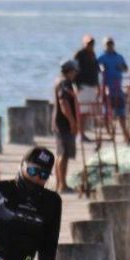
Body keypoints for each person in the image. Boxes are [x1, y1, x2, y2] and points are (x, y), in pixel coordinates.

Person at [97, 37, 130, 145]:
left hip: (117, 88)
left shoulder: (119, 57)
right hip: (105, 88)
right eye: (107, 44)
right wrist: (101, 69)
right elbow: (96, 71)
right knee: (106, 114)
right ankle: (110, 135)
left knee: (121, 113)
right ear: (104, 45)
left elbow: (125, 69)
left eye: (111, 43)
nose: (109, 45)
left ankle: (126, 136)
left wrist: (121, 67)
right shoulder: (101, 57)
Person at [52, 62, 79, 193]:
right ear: (70, 71)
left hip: (58, 123)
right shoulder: (64, 83)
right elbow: (64, 103)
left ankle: (59, 184)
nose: (75, 74)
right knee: (64, 154)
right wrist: (72, 122)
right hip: (64, 123)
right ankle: (62, 185)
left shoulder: (59, 80)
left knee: (60, 154)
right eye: (74, 72)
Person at [73, 35, 101, 140]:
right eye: (88, 43)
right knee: (81, 110)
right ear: (84, 44)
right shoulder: (79, 54)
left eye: (92, 43)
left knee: (87, 111)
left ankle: (82, 132)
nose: (90, 45)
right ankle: (79, 133)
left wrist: (98, 86)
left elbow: (96, 71)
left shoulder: (93, 54)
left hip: (92, 85)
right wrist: (75, 85)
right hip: (82, 85)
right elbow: (74, 70)